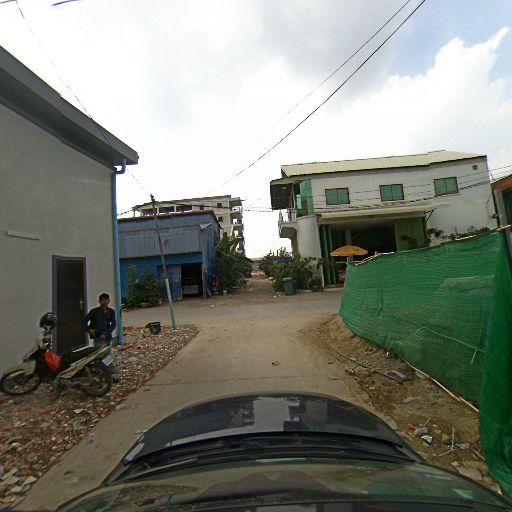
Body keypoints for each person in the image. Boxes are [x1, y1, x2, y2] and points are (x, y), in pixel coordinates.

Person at [82, 293, 119, 382]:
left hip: (107, 337)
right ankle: (101, 375)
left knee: (108, 356)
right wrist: (89, 330)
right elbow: (83, 322)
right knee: (100, 356)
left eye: (106, 300)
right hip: (98, 337)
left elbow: (113, 324)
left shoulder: (111, 311)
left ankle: (109, 375)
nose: (104, 302)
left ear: (109, 301)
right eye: (102, 300)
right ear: (99, 301)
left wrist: (106, 333)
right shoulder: (94, 312)